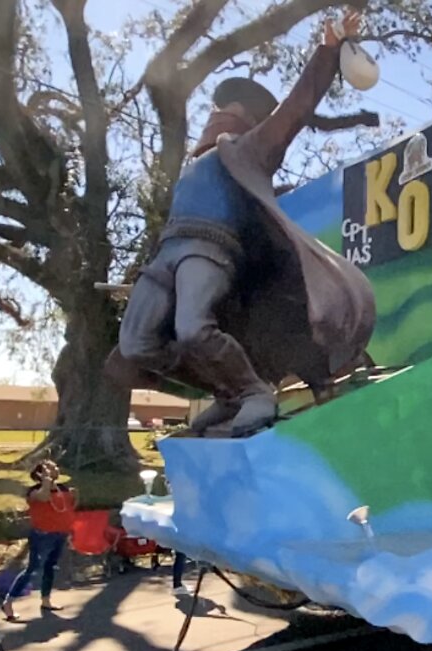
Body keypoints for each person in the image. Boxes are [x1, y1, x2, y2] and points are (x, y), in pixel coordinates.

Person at [108, 13, 372, 438]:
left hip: (209, 250)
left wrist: (329, 50)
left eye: (227, 109)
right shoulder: (192, 167)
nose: (217, 114)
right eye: (216, 108)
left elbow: (298, 106)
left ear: (246, 118)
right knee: (135, 343)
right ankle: (229, 391)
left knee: (193, 328)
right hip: (167, 253)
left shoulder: (250, 152)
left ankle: (253, 391)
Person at [2, 460, 77, 621]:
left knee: (50, 567)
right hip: (42, 535)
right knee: (33, 568)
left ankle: (46, 600)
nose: (56, 469)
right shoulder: (34, 491)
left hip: (60, 534)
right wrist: (45, 483)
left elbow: (68, 509)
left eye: (55, 467)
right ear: (39, 474)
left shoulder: (63, 489)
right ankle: (8, 602)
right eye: (50, 468)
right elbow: (43, 498)